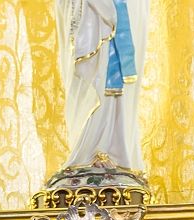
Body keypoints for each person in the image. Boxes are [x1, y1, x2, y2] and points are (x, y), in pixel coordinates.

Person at [54, 0, 150, 172]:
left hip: (115, 25)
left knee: (113, 91)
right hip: (90, 25)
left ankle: (112, 151)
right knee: (91, 84)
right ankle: (87, 153)